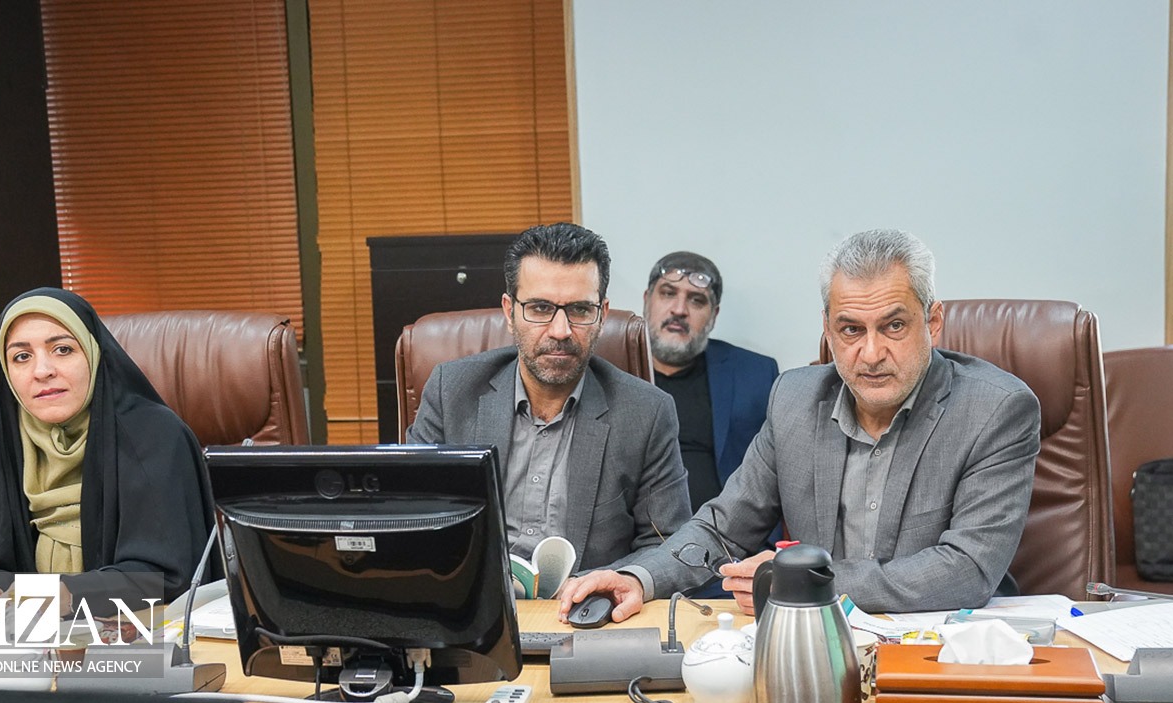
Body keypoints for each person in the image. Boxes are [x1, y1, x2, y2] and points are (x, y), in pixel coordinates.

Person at [559, 229, 1041, 620]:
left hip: (948, 643)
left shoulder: (995, 410)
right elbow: (722, 527)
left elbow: (967, 569)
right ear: (827, 329)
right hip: (818, 642)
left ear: (932, 323)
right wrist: (640, 577)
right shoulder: (795, 399)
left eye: (894, 326)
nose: (871, 353)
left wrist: (804, 581)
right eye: (851, 329)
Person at [406, 222, 691, 595]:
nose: (560, 330)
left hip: (586, 614)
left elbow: (669, 545)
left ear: (602, 314)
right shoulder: (452, 391)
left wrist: (616, 582)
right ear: (510, 311)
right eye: (540, 308)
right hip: (471, 606)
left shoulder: (646, 412)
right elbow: (413, 517)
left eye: (580, 309)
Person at [0, 287, 215, 636]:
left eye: (62, 350)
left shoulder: (156, 436)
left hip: (140, 644)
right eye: (21, 357)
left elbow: (172, 576)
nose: (42, 371)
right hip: (24, 652)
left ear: (93, 353)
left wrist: (70, 593)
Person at [643, 251, 778, 512]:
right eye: (668, 293)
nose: (679, 310)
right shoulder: (609, 371)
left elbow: (778, 472)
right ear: (647, 301)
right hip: (633, 533)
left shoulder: (755, 374)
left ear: (713, 315)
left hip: (727, 532)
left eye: (696, 300)